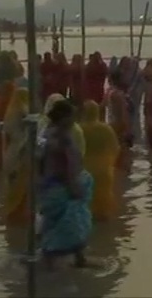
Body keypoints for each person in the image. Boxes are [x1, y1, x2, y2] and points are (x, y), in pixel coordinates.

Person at [37, 99, 93, 269]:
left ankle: (60, 260)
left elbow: (40, 163)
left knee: (53, 223)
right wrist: (73, 187)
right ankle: (60, 261)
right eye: (71, 116)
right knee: (74, 224)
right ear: (63, 118)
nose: (74, 120)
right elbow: (64, 166)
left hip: (48, 188)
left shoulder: (45, 134)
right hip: (62, 188)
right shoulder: (62, 137)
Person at [79, 100, 120, 221]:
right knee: (104, 207)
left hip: (85, 171)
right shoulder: (106, 129)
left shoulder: (80, 129)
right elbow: (116, 148)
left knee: (87, 206)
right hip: (104, 172)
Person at [3, 88, 34, 224]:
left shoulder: (9, 112)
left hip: (10, 152)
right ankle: (20, 219)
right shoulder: (23, 110)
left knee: (12, 187)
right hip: (20, 152)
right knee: (22, 187)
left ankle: (11, 216)